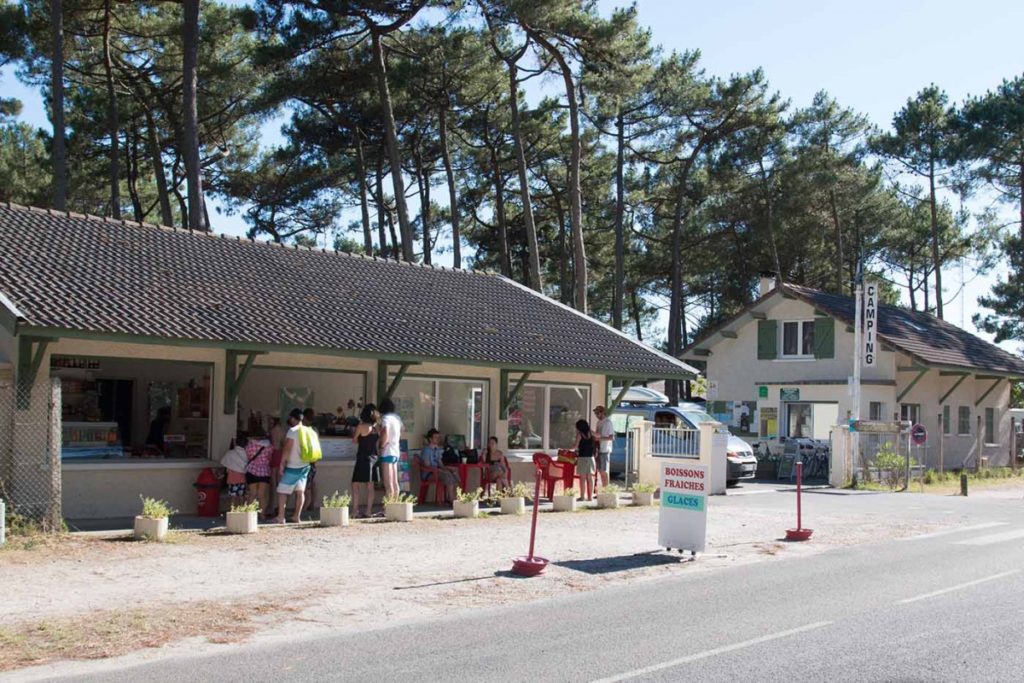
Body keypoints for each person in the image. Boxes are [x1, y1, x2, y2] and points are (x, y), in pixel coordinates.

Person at [271, 408, 310, 524]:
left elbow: (287, 448)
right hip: (305, 465)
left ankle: (281, 517)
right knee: (300, 492)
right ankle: (296, 516)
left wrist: (282, 463)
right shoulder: (308, 430)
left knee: (282, 491)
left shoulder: (293, 431)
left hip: (293, 466)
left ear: (293, 418)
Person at [351, 404, 380, 518]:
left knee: (355, 485)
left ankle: (355, 511)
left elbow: (354, 440)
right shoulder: (377, 427)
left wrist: (359, 440)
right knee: (370, 487)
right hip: (374, 457)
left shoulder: (361, 426)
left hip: (363, 457)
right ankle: (368, 511)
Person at [421, 428, 457, 502]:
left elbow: (440, 463)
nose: (438, 439)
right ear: (430, 439)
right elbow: (427, 465)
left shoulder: (437, 449)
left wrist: (447, 468)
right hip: (429, 473)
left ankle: (451, 496)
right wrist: (439, 470)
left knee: (454, 473)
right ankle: (451, 499)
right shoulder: (426, 450)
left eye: (438, 437)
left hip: (438, 471)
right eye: (435, 437)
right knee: (447, 475)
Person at [378, 398, 403, 502]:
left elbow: (385, 432)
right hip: (396, 451)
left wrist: (381, 446)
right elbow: (403, 429)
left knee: (388, 482)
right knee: (395, 481)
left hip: (387, 451)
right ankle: (396, 504)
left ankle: (388, 507)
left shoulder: (385, 418)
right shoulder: (396, 418)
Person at [245, 435, 273, 518]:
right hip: (264, 471)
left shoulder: (250, 445)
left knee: (252, 493)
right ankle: (262, 515)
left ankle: (249, 514)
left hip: (252, 470)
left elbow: (248, 456)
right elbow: (269, 458)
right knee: (262, 495)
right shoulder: (269, 446)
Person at [220, 434, 249, 508]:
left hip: (232, 477)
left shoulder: (230, 453)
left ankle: (232, 510)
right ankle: (242, 510)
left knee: (233, 496)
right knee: (241, 495)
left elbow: (223, 462)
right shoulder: (247, 453)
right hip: (242, 477)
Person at [573, 419, 596, 502]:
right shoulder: (591, 432)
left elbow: (575, 446)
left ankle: (582, 496)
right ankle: (590, 497)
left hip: (582, 457)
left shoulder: (579, 435)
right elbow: (598, 435)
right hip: (591, 458)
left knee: (582, 478)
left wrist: (567, 449)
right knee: (590, 478)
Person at [266, 417, 285, 517]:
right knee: (279, 483)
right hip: (280, 454)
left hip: (274, 454)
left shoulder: (273, 430)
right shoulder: (282, 430)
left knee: (273, 483)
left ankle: (271, 507)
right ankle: (279, 506)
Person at [301, 408, 318, 515]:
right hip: (314, 458)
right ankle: (312, 503)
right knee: (313, 483)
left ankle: (304, 506)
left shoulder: (303, 429)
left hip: (305, 458)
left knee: (306, 484)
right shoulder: (314, 429)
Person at [593, 406, 615, 491]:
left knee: (604, 471)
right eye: (595, 413)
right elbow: (597, 434)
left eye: (598, 413)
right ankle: (603, 489)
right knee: (600, 471)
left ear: (602, 412)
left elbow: (611, 437)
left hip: (605, 449)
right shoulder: (598, 422)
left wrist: (600, 439)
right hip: (598, 449)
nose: (596, 415)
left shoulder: (608, 422)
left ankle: (607, 490)